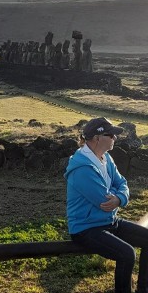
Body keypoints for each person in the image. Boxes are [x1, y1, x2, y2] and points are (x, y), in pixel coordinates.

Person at [65, 117, 148, 293]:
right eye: (111, 135)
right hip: (86, 228)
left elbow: (122, 183)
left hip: (109, 221)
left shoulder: (105, 158)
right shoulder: (81, 168)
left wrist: (118, 198)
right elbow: (104, 201)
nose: (115, 138)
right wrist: (117, 197)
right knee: (127, 254)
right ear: (97, 138)